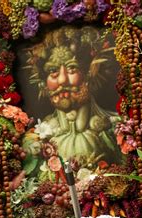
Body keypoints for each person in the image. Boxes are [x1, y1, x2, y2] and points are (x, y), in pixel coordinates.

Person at [26, 25, 122, 166]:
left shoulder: (116, 129)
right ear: (44, 82)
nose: (62, 80)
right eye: (53, 71)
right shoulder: (36, 140)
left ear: (89, 73)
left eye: (72, 68)